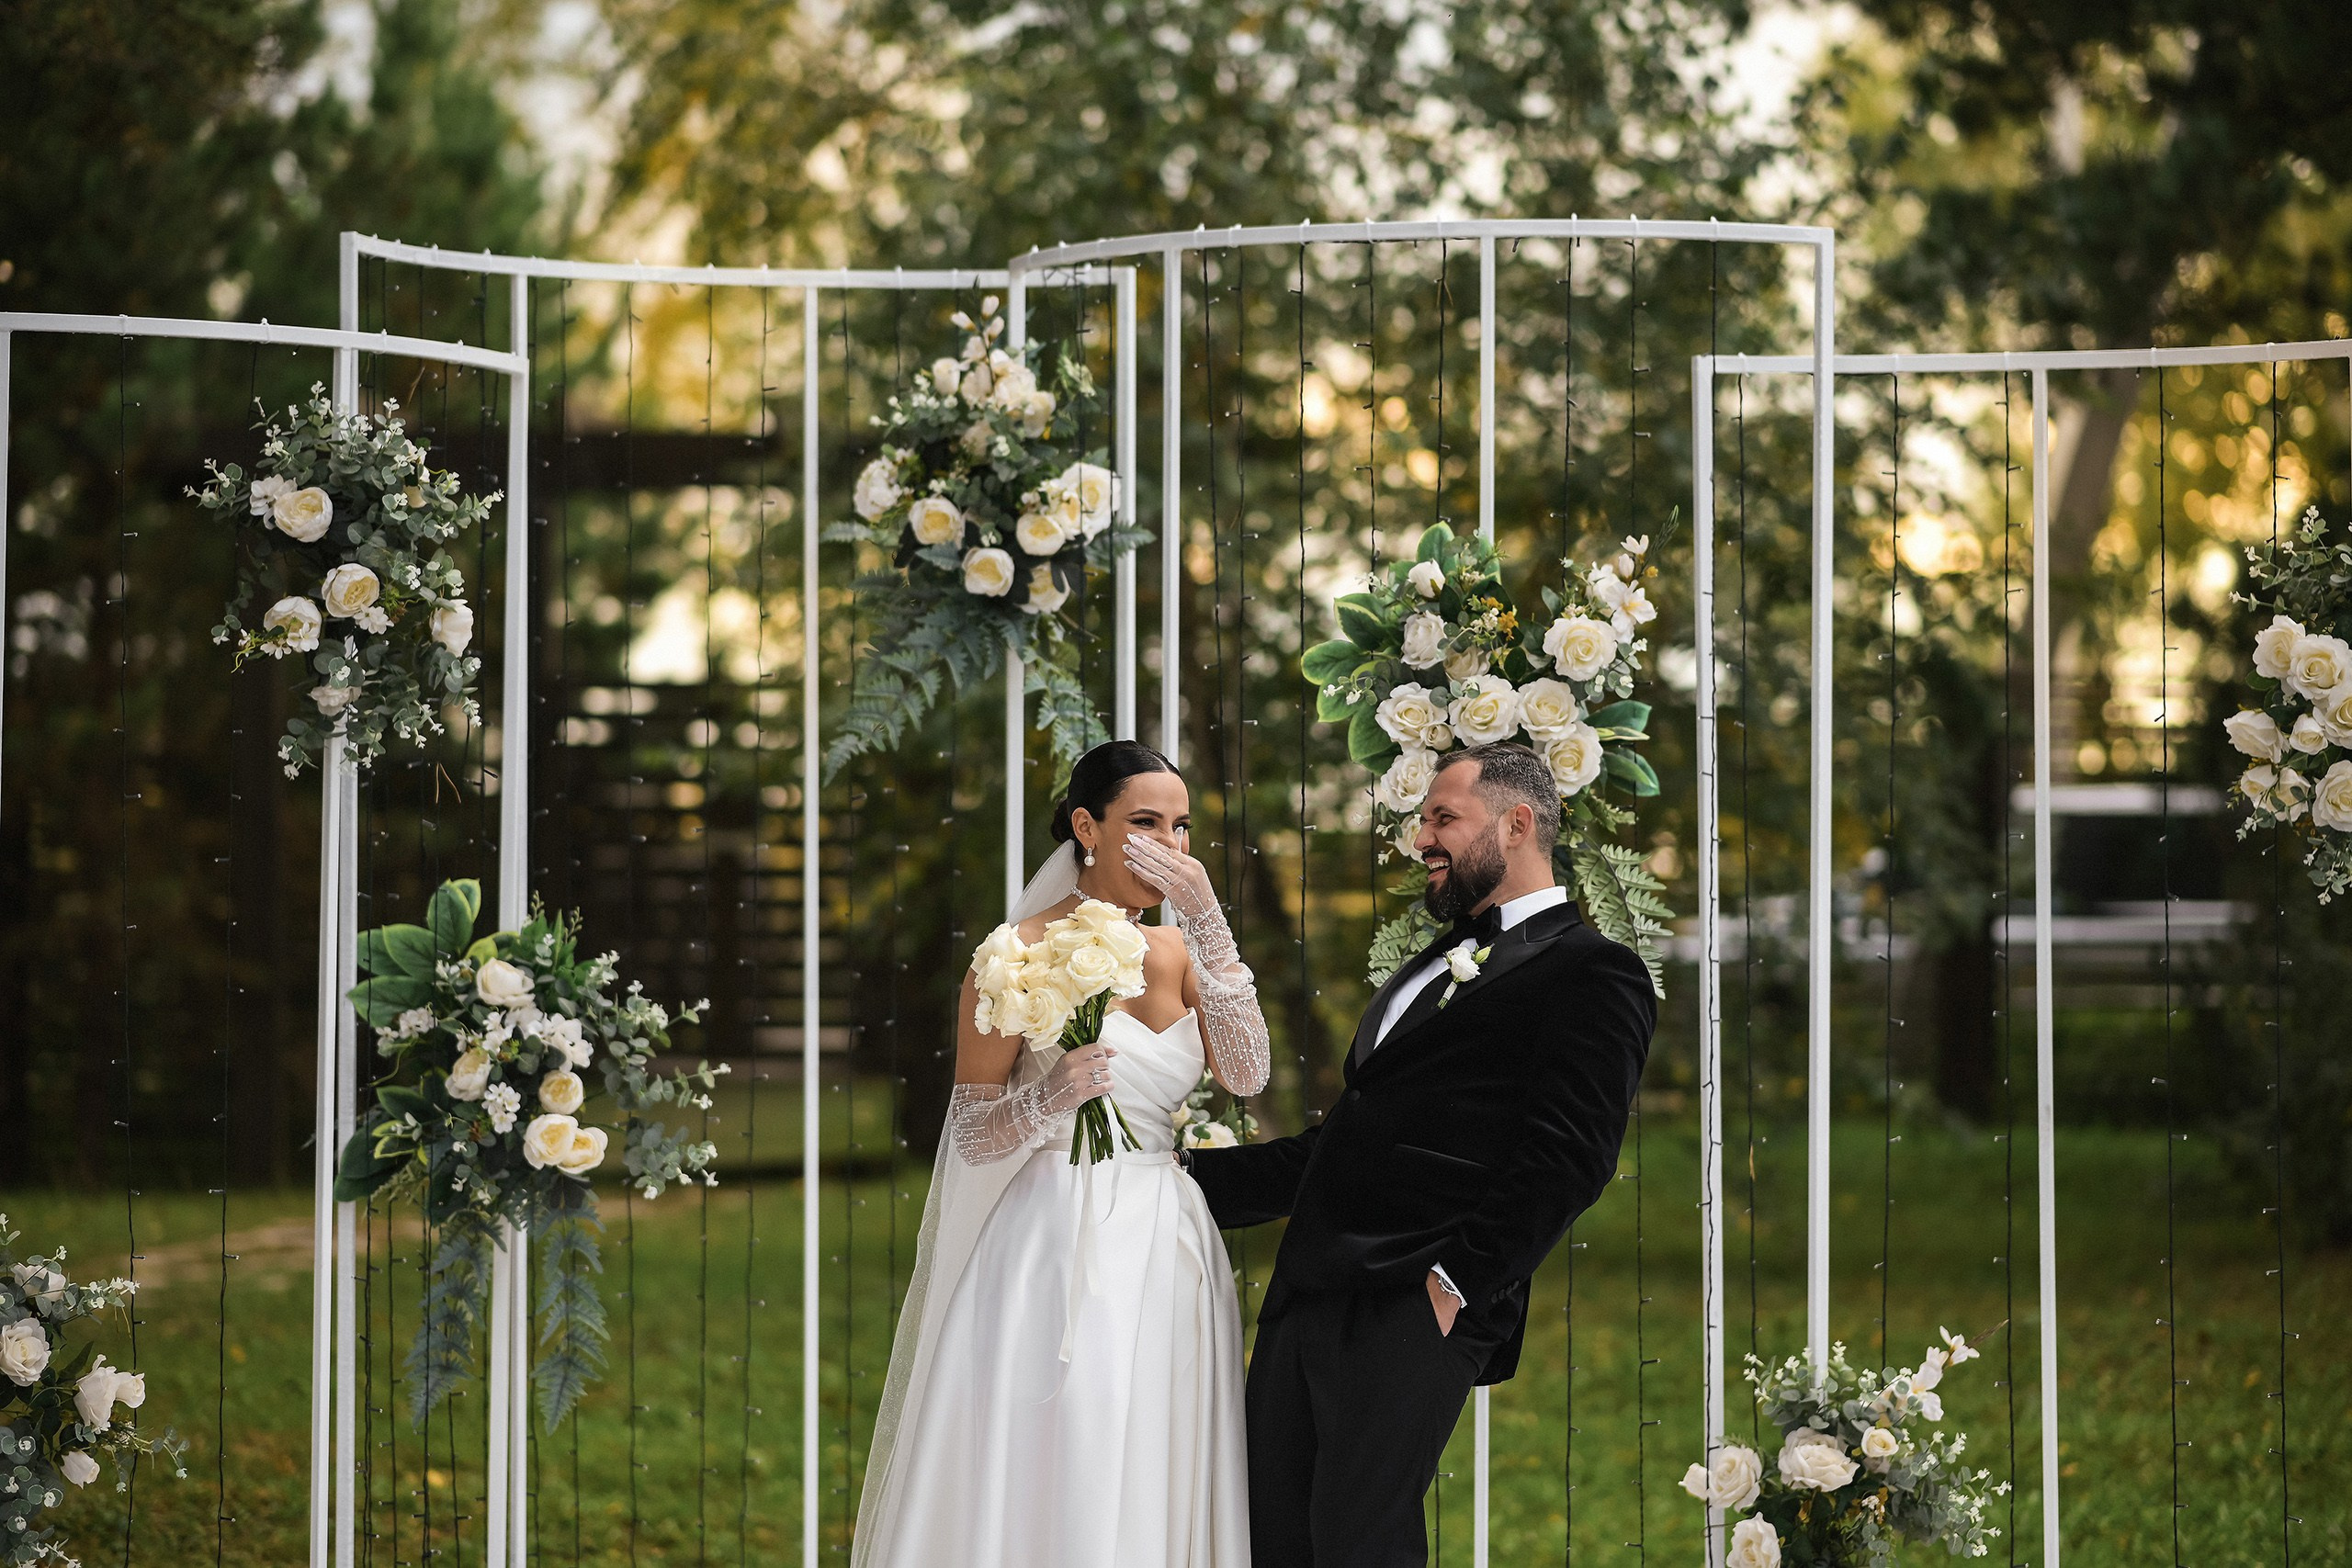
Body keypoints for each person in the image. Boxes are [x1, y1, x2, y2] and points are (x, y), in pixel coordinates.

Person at [1185, 739, 1657, 1567]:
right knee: (1276, 1533)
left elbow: (1572, 1155)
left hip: (1416, 1296)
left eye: (1444, 816)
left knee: (1358, 1538)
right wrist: (1173, 1181)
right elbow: (1343, 1146)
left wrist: (1458, 1283)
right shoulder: (1428, 966)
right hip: (1310, 1291)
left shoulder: (1595, 971)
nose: (1421, 837)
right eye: (1422, 818)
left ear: (1517, 824)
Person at [852, 739, 1269, 1568]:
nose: (1169, 846)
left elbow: (1249, 1073)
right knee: (1068, 1432)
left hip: (1165, 1236)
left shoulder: (1185, 956)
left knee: (1156, 1434)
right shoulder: (1011, 956)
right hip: (1051, 1237)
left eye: (1182, 829)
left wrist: (1210, 919)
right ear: (1087, 825)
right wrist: (1048, 1097)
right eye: (1144, 822)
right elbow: (970, 1134)